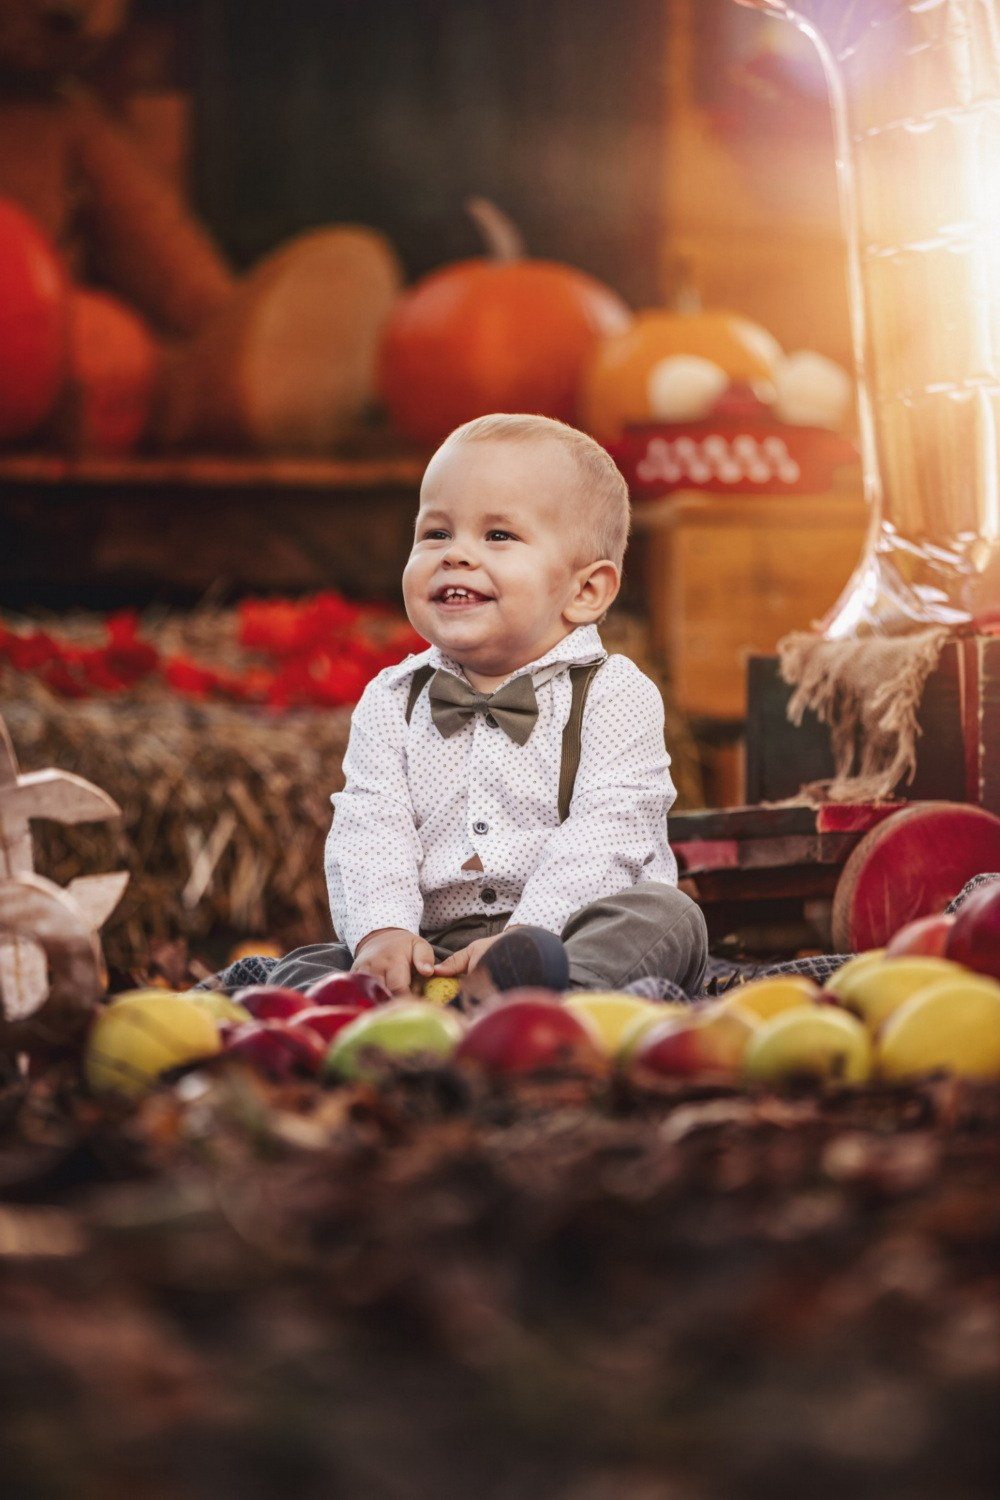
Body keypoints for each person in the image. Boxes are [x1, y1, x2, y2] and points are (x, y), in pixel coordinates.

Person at [237, 412, 707, 1001]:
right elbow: (370, 826)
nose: (456, 555)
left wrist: (528, 936)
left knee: (667, 917)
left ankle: (540, 996)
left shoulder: (614, 693)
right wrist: (384, 932)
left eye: (499, 536)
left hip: (567, 930)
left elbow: (608, 834)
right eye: (435, 533)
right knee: (310, 963)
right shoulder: (392, 700)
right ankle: (393, 1004)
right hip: (435, 945)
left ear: (585, 591)